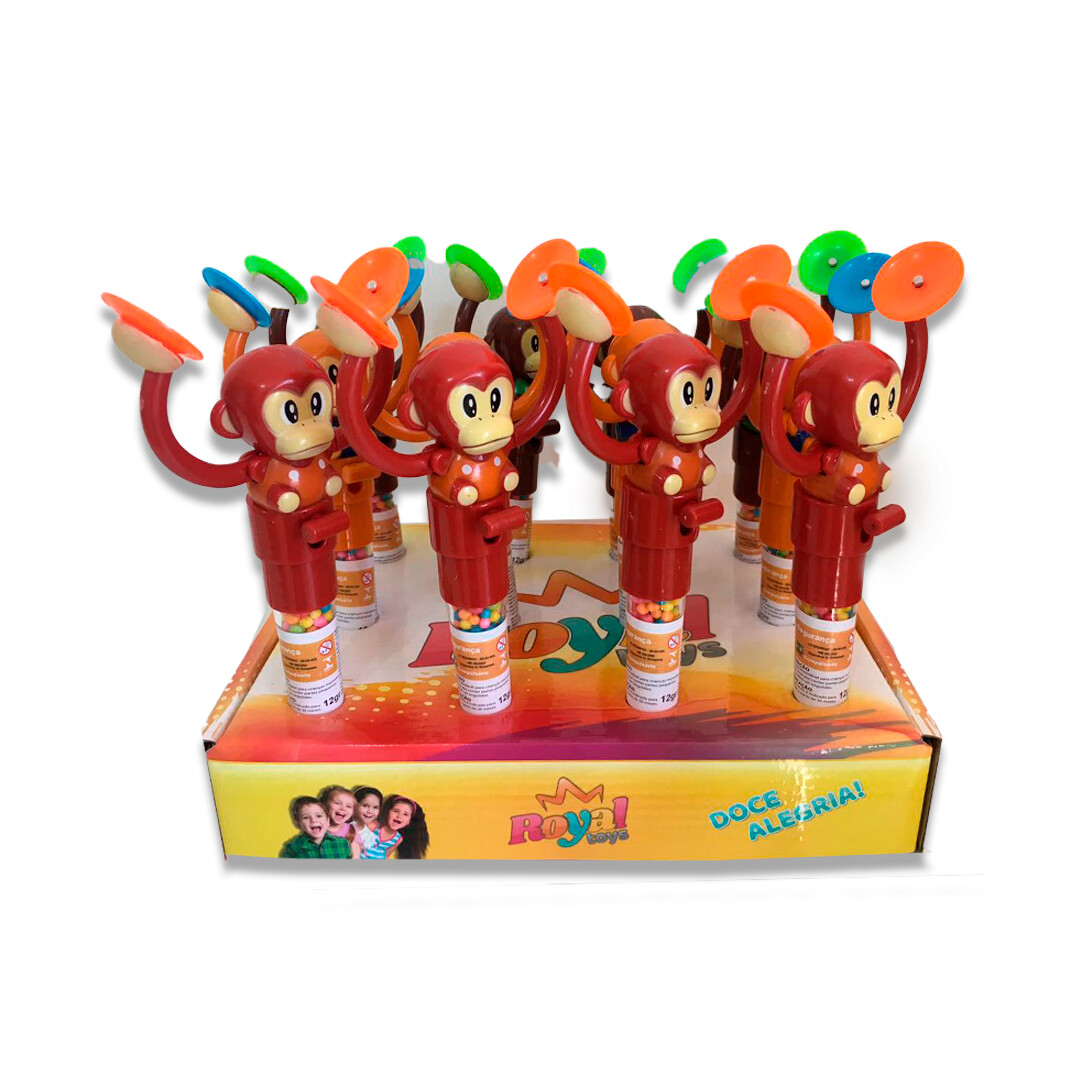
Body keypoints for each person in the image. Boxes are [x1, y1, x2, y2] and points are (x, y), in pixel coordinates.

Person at [279, 796, 352, 859]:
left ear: (327, 820)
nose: (313, 820)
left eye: (319, 816)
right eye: (306, 817)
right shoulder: (293, 848)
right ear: (298, 824)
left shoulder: (343, 844)